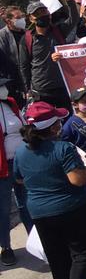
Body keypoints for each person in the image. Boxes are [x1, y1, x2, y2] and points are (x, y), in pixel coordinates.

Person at [13, 102, 86, 279]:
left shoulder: (21, 151)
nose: (61, 124)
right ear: (53, 128)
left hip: (39, 212)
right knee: (82, 253)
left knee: (57, 256)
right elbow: (77, 180)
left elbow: (20, 179)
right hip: (70, 208)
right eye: (59, 121)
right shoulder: (63, 148)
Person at [20, 0, 80, 108]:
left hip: (62, 86)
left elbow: (74, 18)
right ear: (31, 18)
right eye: (37, 14)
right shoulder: (27, 39)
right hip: (41, 89)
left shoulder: (59, 31)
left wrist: (69, 1)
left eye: (44, 11)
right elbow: (24, 66)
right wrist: (27, 89)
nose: (42, 15)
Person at [0, 76, 29, 266]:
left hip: (21, 161)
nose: (4, 89)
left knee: (26, 203)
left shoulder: (10, 103)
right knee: (3, 209)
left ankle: (37, 239)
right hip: (2, 167)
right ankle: (6, 247)